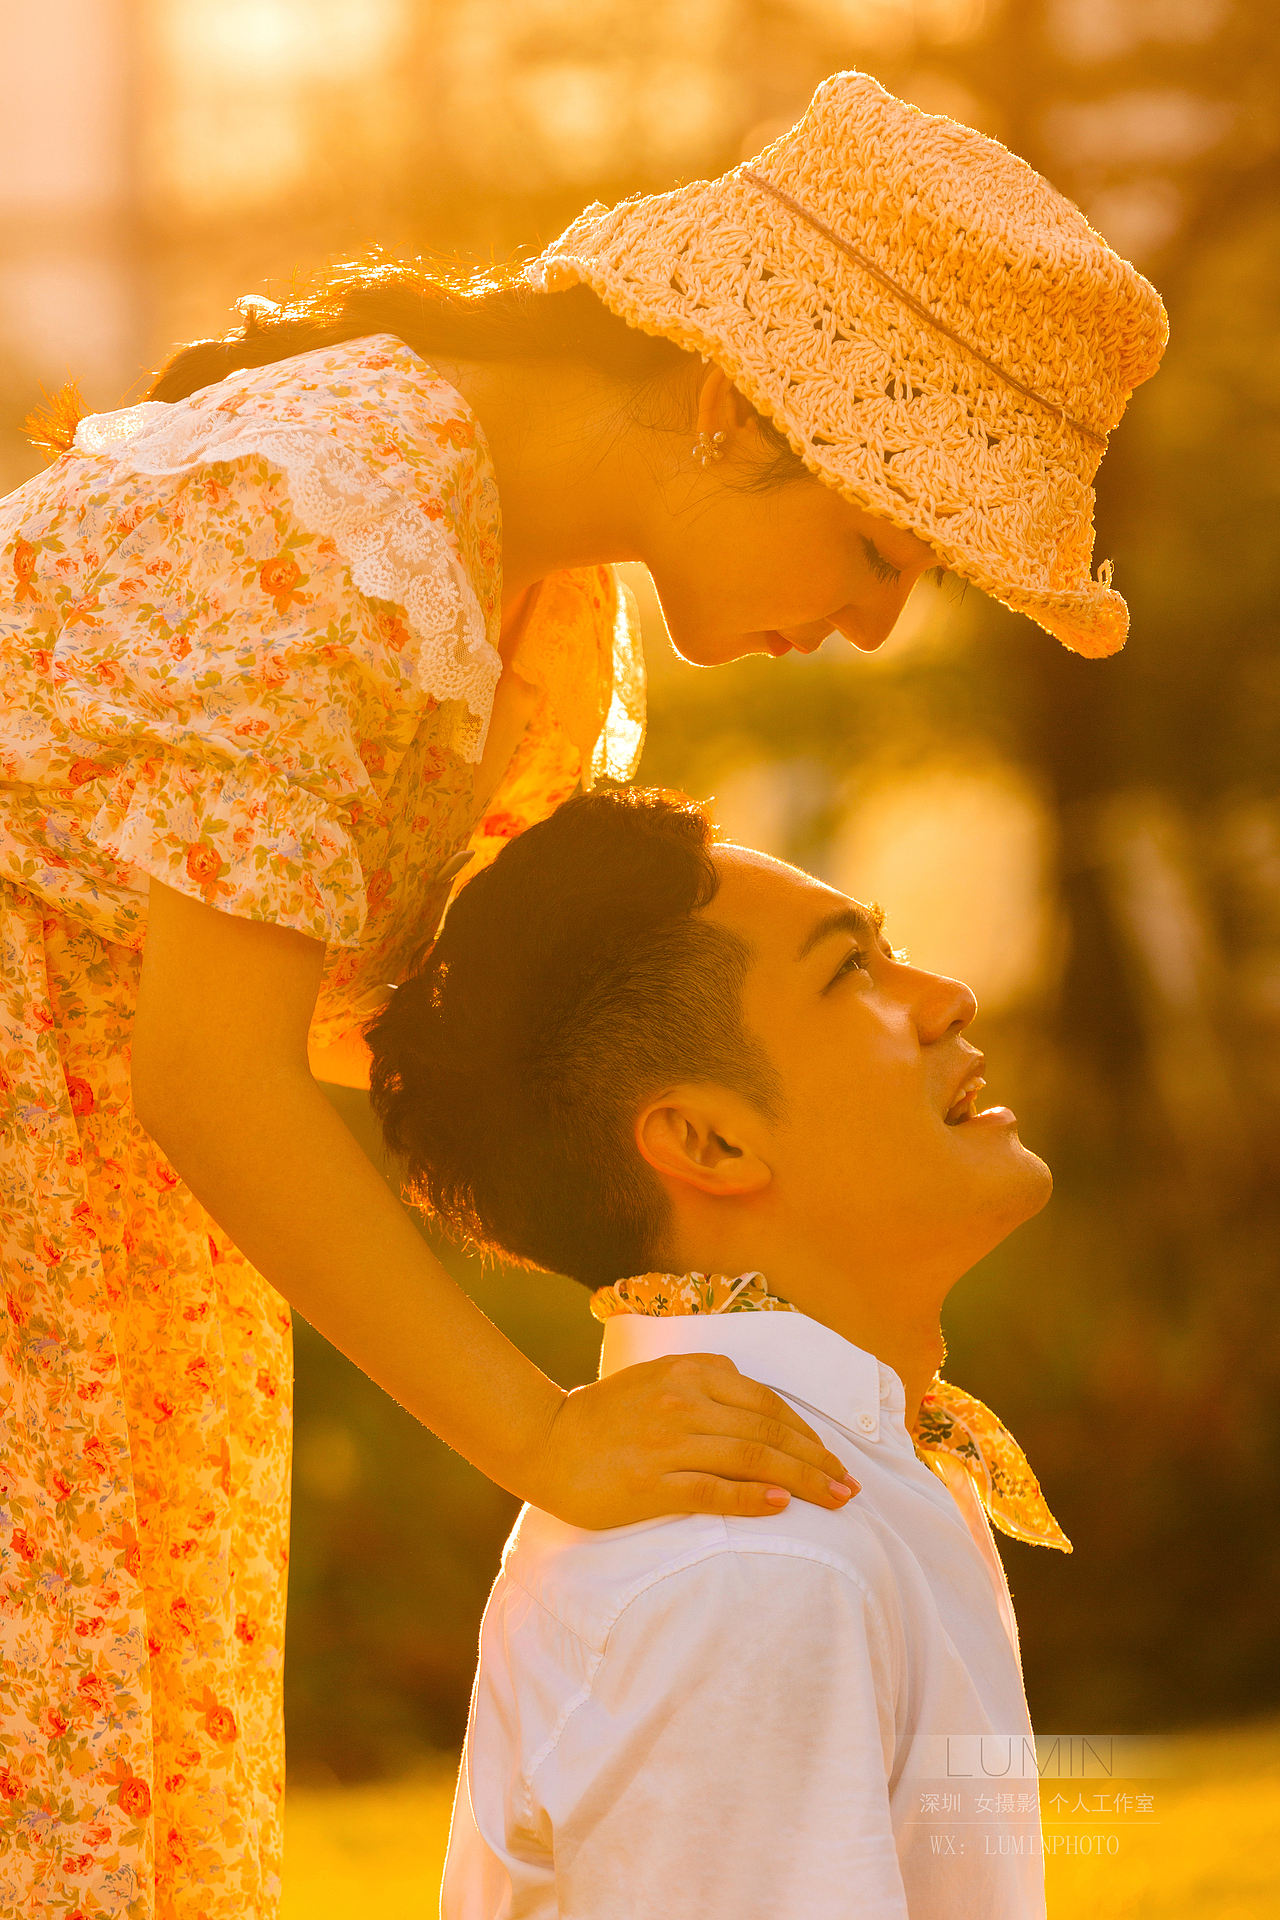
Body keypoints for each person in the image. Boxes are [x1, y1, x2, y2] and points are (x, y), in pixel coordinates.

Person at [0, 68, 1158, 1920]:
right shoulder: (334, 524)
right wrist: (546, 1432)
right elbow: (212, 1081)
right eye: (885, 546)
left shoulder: (526, 594)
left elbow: (534, 1067)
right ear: (728, 406)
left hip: (117, 1253)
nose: (881, 625)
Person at [367, 787, 1071, 1919]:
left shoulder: (823, 1482)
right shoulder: (750, 1556)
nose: (947, 997)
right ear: (706, 1140)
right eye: (851, 972)